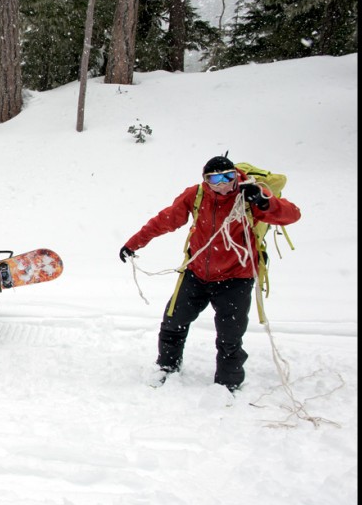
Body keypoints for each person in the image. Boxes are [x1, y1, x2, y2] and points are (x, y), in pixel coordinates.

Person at [119, 155, 301, 392]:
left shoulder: (248, 196)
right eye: (215, 179)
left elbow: (292, 215)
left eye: (228, 177)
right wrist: (134, 243)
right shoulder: (196, 195)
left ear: (236, 175)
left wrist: (265, 202)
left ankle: (228, 383)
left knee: (230, 336)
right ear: (206, 180)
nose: (223, 184)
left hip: (237, 277)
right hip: (196, 274)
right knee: (173, 322)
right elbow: (164, 220)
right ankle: (167, 366)